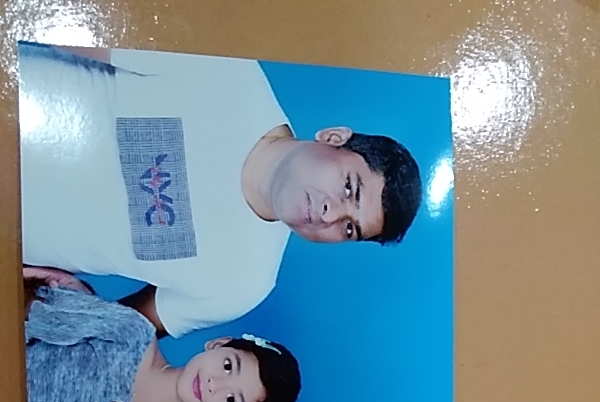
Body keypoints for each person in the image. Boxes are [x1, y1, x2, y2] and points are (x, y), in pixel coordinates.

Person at [18, 42, 423, 338]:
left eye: (349, 229)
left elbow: (118, 330)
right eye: (349, 188)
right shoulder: (228, 71)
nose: (330, 214)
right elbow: (64, 28)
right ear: (333, 137)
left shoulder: (244, 285)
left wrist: (68, 302)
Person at [26, 284, 301, 402]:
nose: (215, 384)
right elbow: (31, 311)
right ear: (218, 344)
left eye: (231, 400)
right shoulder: (133, 332)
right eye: (228, 366)